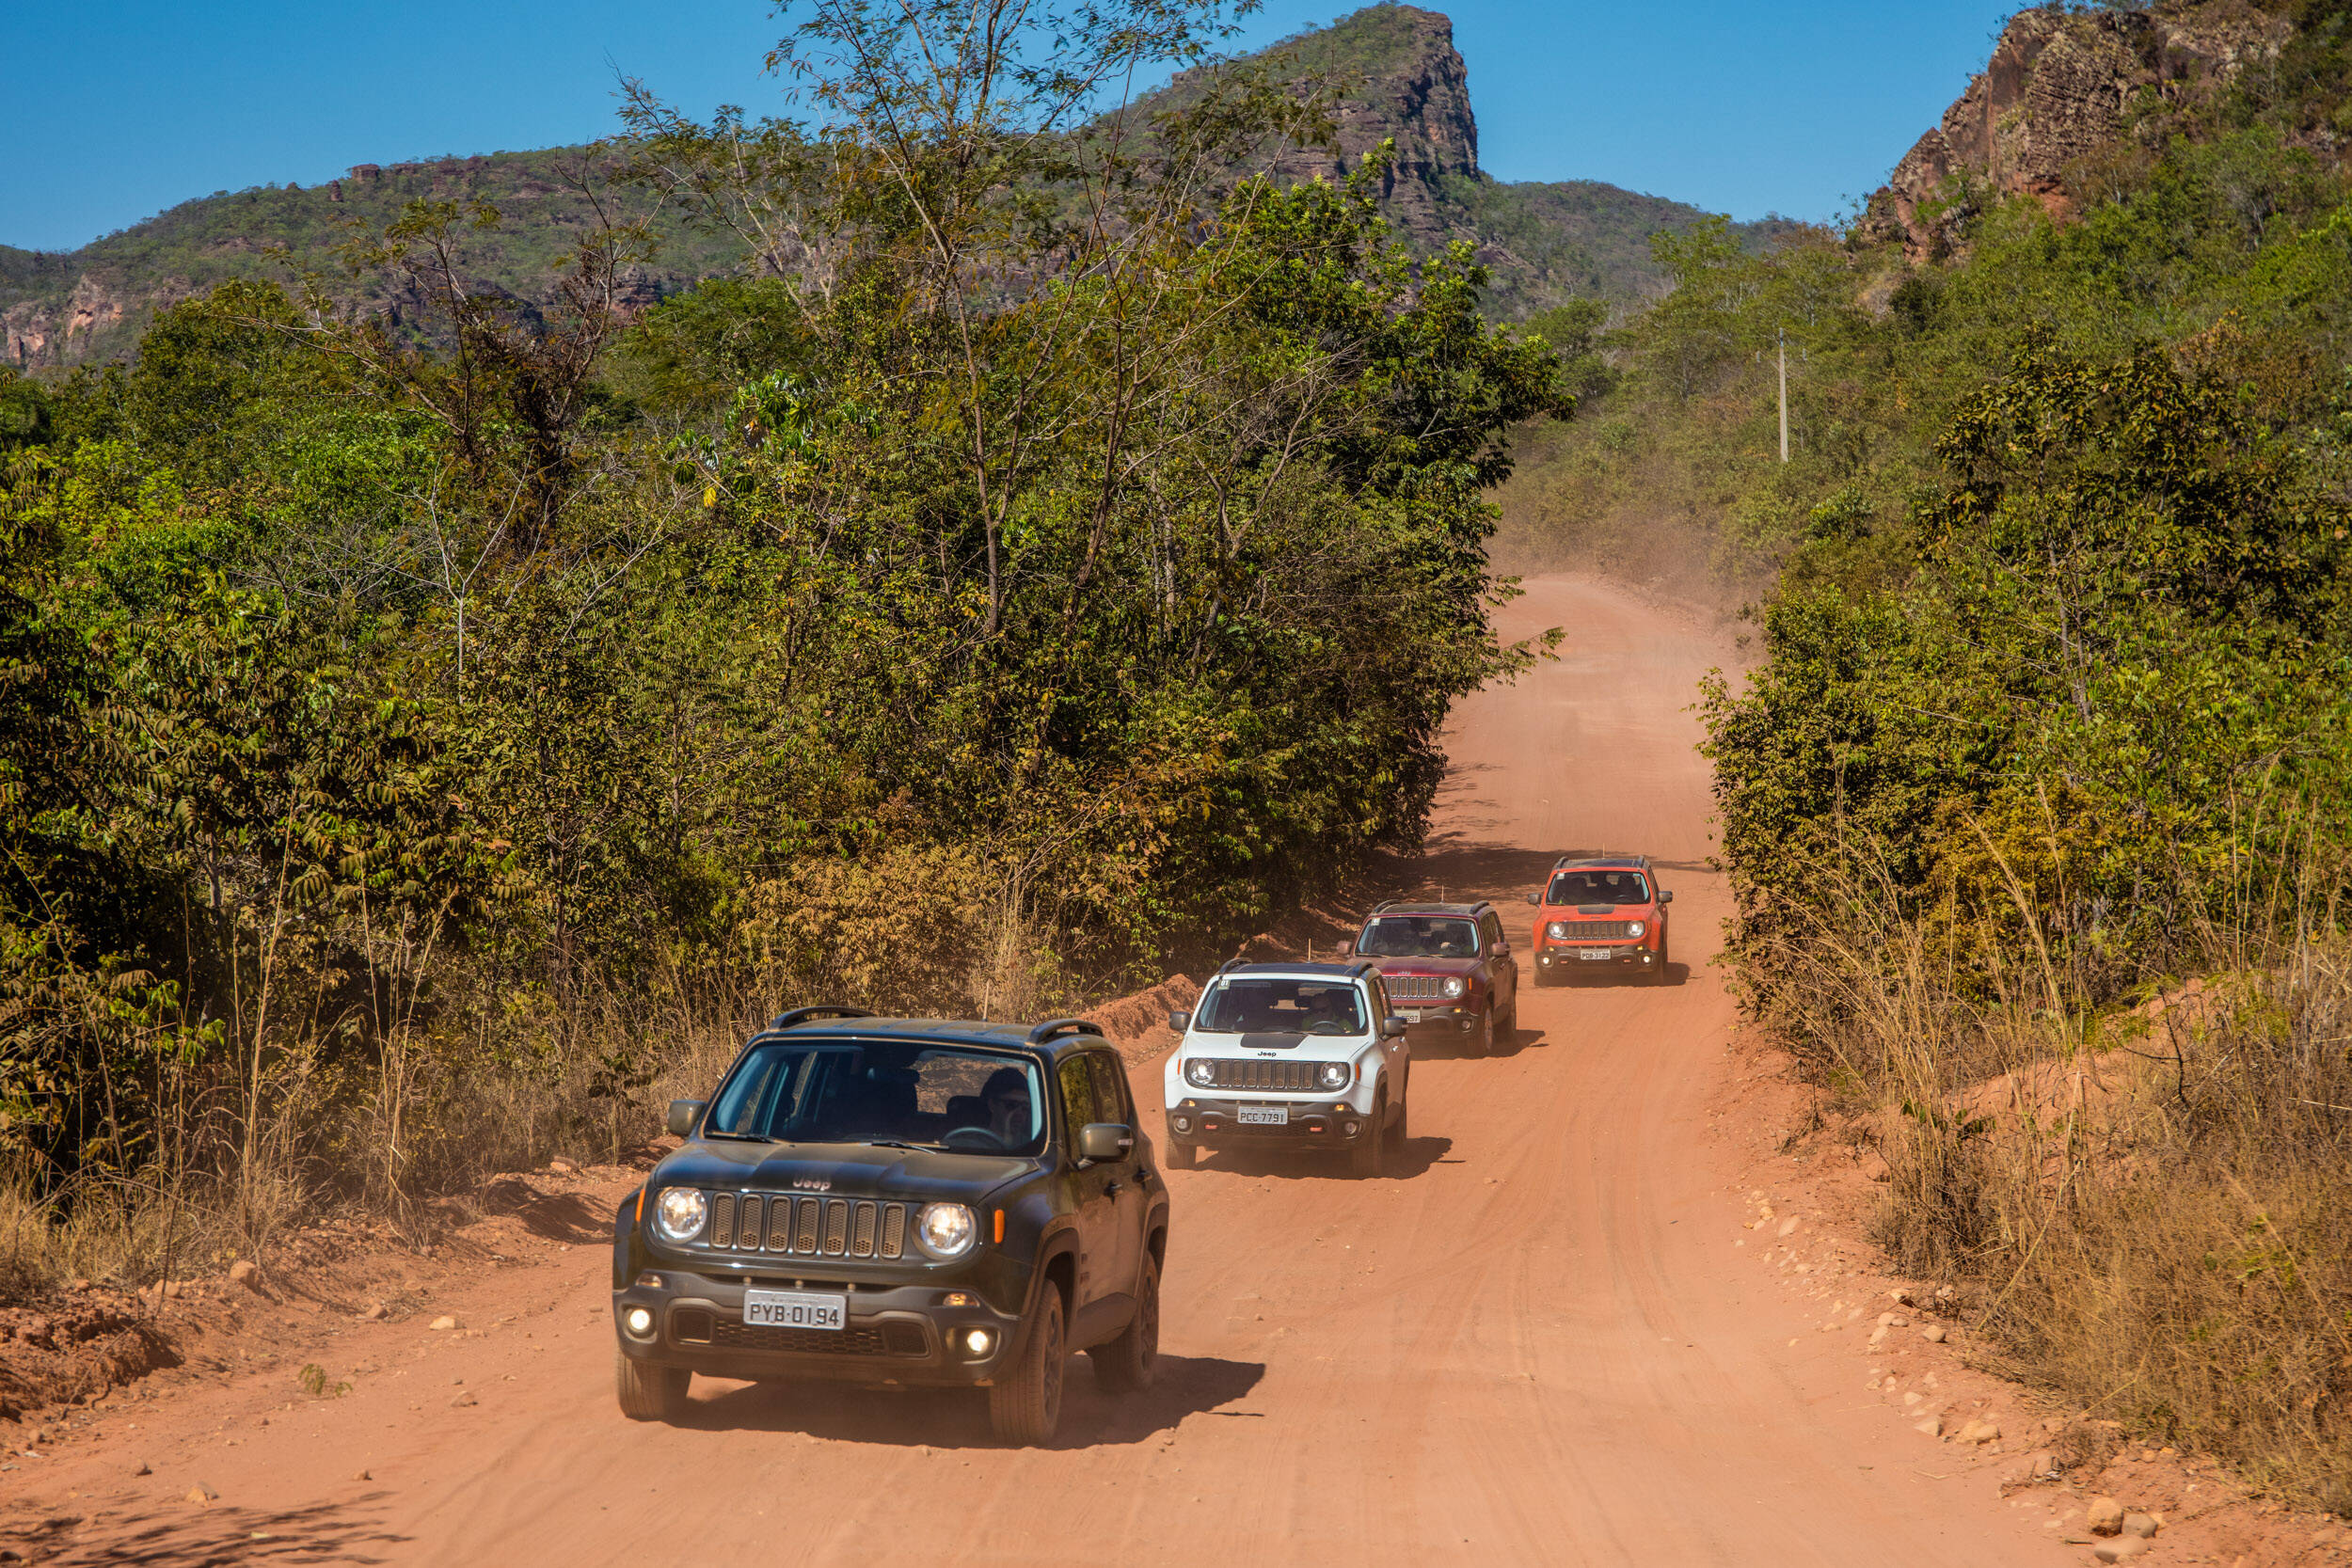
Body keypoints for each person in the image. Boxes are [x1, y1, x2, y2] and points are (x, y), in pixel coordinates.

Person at [979, 1068, 1034, 1146]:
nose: (1019, 1114)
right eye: (1012, 1105)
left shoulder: (1034, 1147)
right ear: (992, 1104)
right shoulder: (968, 1143)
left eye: (1025, 1108)